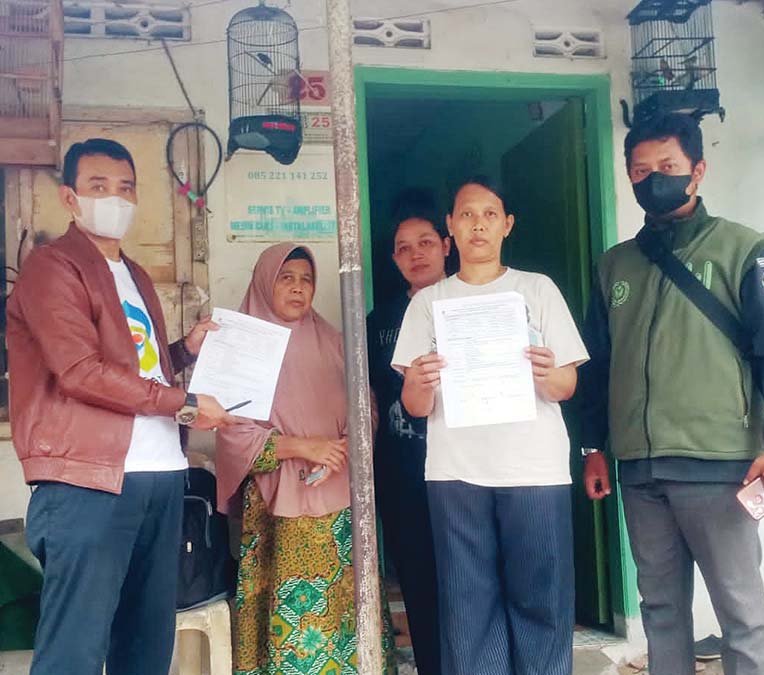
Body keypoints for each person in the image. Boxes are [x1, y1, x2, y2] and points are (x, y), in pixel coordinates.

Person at [578, 113, 764, 675]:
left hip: (720, 462)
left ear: (698, 171)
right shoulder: (615, 264)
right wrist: (593, 445)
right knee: (660, 610)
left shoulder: (743, 249)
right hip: (640, 468)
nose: (653, 179)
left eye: (668, 166)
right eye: (641, 171)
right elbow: (598, 364)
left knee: (741, 613)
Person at [7, 138, 233, 675]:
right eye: (98, 186)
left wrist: (183, 352)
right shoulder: (52, 268)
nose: (115, 198)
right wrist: (184, 405)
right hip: (90, 479)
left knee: (146, 642)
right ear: (69, 198)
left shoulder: (133, 275)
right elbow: (80, 371)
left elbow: (136, 370)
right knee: (75, 650)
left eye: (125, 188)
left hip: (161, 475)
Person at [392, 176, 588, 675]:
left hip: (534, 468)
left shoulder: (536, 290)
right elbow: (415, 405)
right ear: (451, 227)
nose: (478, 224)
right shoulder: (428, 302)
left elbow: (566, 384)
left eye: (489, 214)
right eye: (466, 214)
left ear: (507, 225)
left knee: (541, 599)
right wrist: (420, 381)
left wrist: (547, 373)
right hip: (456, 471)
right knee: (468, 605)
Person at [216, 243, 393, 675]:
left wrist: (343, 448)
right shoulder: (240, 348)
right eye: (286, 278)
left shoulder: (335, 342)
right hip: (278, 509)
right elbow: (230, 430)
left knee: (347, 614)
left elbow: (366, 406)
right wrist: (303, 447)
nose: (298, 288)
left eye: (306, 279)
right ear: (264, 283)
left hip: (340, 507)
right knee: (290, 619)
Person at [367, 197, 449, 675]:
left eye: (425, 242)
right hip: (403, 474)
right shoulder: (378, 322)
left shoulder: (470, 304)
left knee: (470, 578)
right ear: (394, 259)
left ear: (446, 245)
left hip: (465, 469)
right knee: (418, 580)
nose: (416, 254)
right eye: (403, 247)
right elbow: (369, 398)